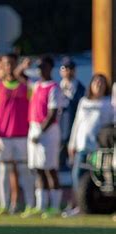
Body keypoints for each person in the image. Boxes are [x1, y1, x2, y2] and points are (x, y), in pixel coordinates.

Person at [0, 53, 35, 215]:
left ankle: (30, 205)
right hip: (3, 137)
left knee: (24, 171)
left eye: (12, 64)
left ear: (16, 65)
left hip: (23, 135)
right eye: (6, 64)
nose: (9, 67)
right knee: (3, 171)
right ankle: (4, 205)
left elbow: (33, 108)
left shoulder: (26, 86)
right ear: (2, 66)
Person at [63, 74, 113, 217]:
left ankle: (93, 204)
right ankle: (78, 205)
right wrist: (72, 143)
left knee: (96, 179)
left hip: (99, 149)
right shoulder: (84, 102)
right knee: (76, 175)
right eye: (96, 82)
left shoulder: (109, 103)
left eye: (102, 82)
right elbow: (77, 123)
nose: (98, 85)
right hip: (82, 147)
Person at [21, 55, 64, 219]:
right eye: (39, 67)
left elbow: (53, 114)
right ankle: (41, 205)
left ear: (50, 68)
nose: (41, 70)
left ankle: (55, 206)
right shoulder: (37, 85)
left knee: (50, 168)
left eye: (44, 67)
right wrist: (24, 65)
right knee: (38, 169)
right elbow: (19, 75)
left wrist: (41, 132)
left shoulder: (54, 88)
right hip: (34, 127)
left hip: (48, 131)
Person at [58, 57, 85, 172]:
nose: (68, 71)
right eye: (65, 68)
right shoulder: (57, 87)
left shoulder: (80, 88)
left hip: (75, 128)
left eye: (70, 68)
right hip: (60, 129)